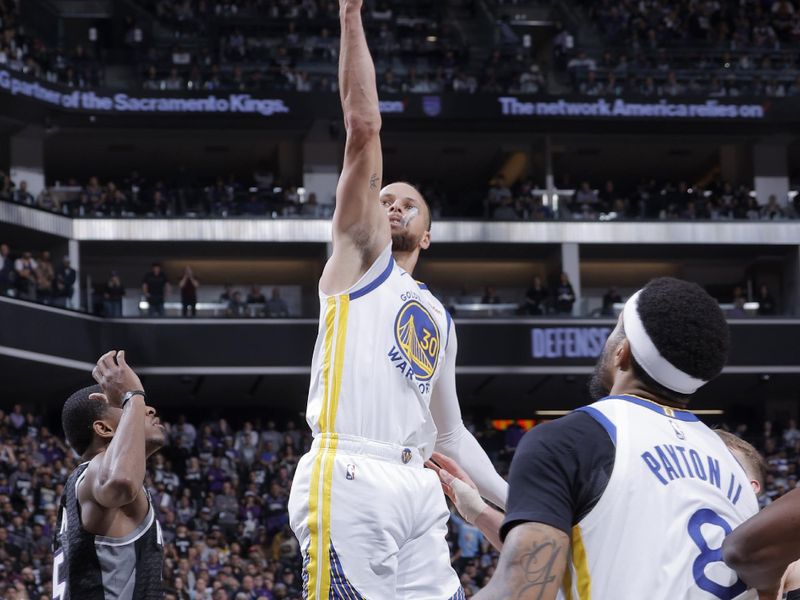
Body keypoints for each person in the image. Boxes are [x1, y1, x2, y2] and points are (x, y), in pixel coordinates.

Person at [287, 3, 507, 598]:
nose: (393, 204)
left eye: (408, 202)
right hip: (352, 470)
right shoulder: (360, 258)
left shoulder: (437, 313)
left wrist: (518, 504)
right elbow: (363, 127)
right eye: (384, 196)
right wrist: (351, 17)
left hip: (420, 485)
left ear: (428, 234)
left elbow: (452, 436)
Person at [462, 277, 759, 600]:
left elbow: (523, 591)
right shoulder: (734, 465)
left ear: (622, 351)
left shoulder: (569, 440)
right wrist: (479, 511)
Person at [54, 350, 167, 598]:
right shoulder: (95, 472)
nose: (149, 410)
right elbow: (121, 481)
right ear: (104, 428)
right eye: (123, 407)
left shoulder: (82, 486)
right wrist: (133, 396)